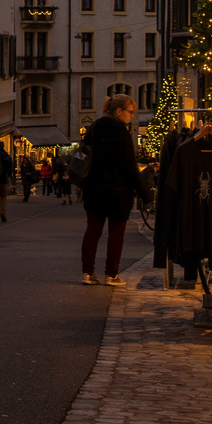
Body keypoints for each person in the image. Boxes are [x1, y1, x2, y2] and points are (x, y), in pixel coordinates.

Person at [79, 93, 148, 286]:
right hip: (118, 192)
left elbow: (83, 156)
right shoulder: (122, 134)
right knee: (116, 233)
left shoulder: (93, 128)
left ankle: (87, 273)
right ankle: (111, 274)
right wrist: (145, 193)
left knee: (92, 231)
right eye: (130, 112)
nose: (132, 116)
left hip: (94, 190)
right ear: (119, 111)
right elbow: (129, 167)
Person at [0, 142, 14, 223]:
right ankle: (3, 212)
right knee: (3, 197)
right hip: (4, 180)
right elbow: (11, 168)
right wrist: (8, 175)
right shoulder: (7, 156)